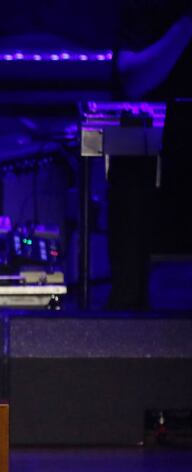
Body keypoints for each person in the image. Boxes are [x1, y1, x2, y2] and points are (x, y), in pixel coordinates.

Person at [107, 0, 192, 310]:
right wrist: (187, 24)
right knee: (131, 163)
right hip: (159, 154)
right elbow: (134, 79)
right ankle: (128, 316)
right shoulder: (150, 10)